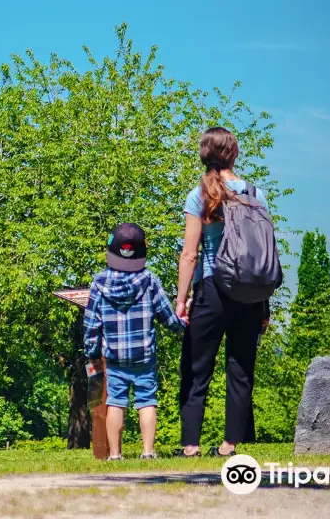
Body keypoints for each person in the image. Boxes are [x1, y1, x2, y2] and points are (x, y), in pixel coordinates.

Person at [174, 126, 271, 457]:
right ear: (235, 153)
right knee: (240, 369)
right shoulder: (256, 193)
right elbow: (261, 254)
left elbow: (190, 254)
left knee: (196, 369)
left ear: (203, 154)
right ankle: (230, 445)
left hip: (212, 288)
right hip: (249, 292)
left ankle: (190, 446)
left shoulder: (198, 195)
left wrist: (181, 301)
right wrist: (264, 307)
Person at [84, 222, 188, 460]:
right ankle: (148, 452)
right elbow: (167, 317)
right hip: (144, 355)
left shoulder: (99, 283)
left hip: (114, 356)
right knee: (147, 401)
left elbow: (91, 323)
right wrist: (182, 327)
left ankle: (115, 455)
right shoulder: (149, 280)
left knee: (116, 402)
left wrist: (91, 351)